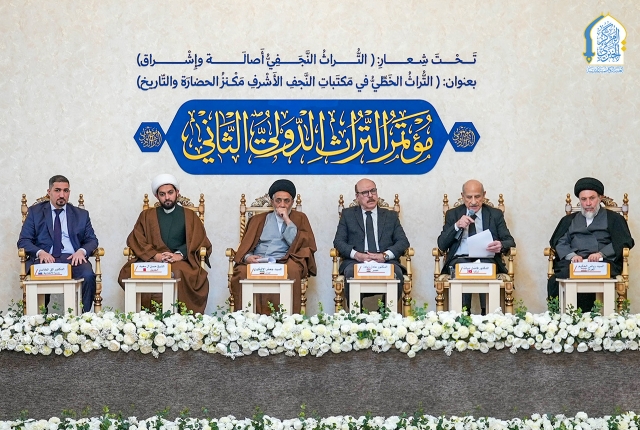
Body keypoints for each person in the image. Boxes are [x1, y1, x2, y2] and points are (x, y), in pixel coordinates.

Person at [118, 174, 212, 314]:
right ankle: (144, 318)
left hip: (180, 261)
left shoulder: (190, 216)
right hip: (152, 260)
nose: (167, 197)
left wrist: (179, 255)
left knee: (179, 273)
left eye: (170, 193)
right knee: (127, 273)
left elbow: (199, 240)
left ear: (177, 192)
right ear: (157, 196)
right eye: (162, 194)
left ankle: (179, 319)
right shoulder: (146, 215)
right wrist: (154, 255)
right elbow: (137, 239)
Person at [230, 179, 317, 314]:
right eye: (278, 200)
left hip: (284, 260)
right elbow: (246, 246)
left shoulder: (300, 218)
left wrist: (287, 220)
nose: (282, 205)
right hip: (259, 260)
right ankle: (246, 319)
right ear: (272, 202)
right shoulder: (258, 220)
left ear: (292, 202)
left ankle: (287, 318)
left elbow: (299, 244)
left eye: (286, 201)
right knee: (241, 272)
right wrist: (248, 257)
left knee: (293, 270)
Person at [547, 177, 634, 311]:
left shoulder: (614, 218)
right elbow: (560, 241)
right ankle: (563, 317)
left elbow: (623, 241)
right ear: (580, 200)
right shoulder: (569, 220)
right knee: (557, 278)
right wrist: (572, 256)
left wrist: (601, 254)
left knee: (593, 273)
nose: (588, 203)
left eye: (592, 198)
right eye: (584, 199)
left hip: (604, 262)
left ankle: (593, 318)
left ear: (600, 198)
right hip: (574, 262)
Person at [17, 175, 99, 313]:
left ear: (69, 192)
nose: (62, 195)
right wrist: (40, 252)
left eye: (65, 191)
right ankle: (39, 319)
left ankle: (84, 317)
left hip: (72, 258)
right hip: (45, 259)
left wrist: (81, 251)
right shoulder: (35, 212)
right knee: (37, 281)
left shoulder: (81, 214)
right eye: (57, 190)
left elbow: (92, 240)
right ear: (49, 192)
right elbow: (23, 240)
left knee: (88, 275)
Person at [437, 179, 516, 315]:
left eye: (477, 196)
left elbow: (510, 241)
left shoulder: (495, 214)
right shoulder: (453, 214)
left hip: (487, 259)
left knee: (485, 267)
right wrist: (457, 225)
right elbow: (441, 244)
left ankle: (488, 316)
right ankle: (462, 315)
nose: (473, 202)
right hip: (460, 259)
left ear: (484, 195)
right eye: (469, 197)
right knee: (462, 268)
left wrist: (501, 245)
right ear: (463, 196)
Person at [333, 178, 410, 309]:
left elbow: (403, 242)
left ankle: (386, 315)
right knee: (351, 273)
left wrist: (384, 256)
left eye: (373, 191)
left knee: (396, 272)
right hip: (356, 261)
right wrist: (357, 255)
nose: (370, 195)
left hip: (385, 261)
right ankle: (357, 316)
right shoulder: (348, 215)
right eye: (365, 193)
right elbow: (338, 241)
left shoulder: (390, 216)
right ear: (357, 196)